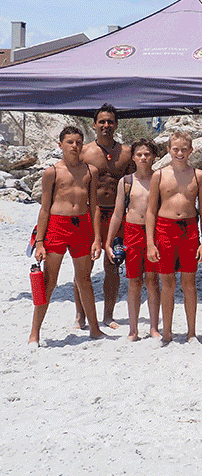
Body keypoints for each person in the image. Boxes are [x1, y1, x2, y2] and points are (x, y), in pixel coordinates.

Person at [29, 126, 104, 345]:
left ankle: (95, 329)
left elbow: (95, 207)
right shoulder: (52, 172)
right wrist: (40, 242)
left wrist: (97, 238)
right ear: (60, 145)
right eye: (70, 142)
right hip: (57, 225)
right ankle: (35, 333)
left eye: (78, 142)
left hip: (82, 226)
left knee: (85, 280)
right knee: (49, 281)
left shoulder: (90, 171)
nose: (75, 146)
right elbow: (44, 208)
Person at [146, 132, 202, 344]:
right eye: (176, 149)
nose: (180, 153)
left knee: (189, 283)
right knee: (168, 282)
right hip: (165, 229)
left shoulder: (198, 175)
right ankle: (167, 331)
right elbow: (151, 211)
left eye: (184, 149)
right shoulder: (159, 175)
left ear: (191, 150)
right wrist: (150, 243)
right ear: (168, 150)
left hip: (189, 229)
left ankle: (192, 332)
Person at [80, 104, 133, 330]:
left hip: (117, 215)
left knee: (113, 264)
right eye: (101, 121)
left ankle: (108, 316)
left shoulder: (126, 152)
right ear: (94, 124)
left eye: (110, 121)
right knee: (84, 267)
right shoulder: (84, 152)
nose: (106, 125)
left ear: (116, 124)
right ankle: (80, 316)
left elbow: (134, 182)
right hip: (92, 213)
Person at [104, 138, 161, 341]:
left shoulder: (159, 178)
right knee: (134, 281)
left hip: (154, 233)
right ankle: (133, 330)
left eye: (147, 154)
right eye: (139, 154)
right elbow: (118, 213)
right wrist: (108, 242)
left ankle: (154, 327)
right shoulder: (126, 182)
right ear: (133, 157)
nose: (143, 157)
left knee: (153, 280)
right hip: (132, 231)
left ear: (154, 156)